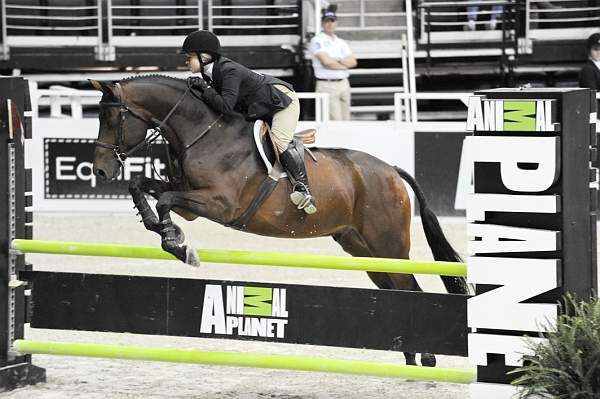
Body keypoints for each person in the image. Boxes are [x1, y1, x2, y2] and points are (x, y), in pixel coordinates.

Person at [181, 30, 316, 214]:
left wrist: (205, 89)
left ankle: (303, 188)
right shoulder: (209, 74)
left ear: (204, 57)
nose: (187, 61)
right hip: (260, 107)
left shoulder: (229, 71)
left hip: (282, 101)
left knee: (279, 142)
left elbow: (226, 106)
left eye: (190, 57)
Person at [309, 7, 357, 120]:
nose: (330, 24)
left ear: (336, 23)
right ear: (322, 23)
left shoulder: (340, 41)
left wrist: (335, 60)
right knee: (335, 122)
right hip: (327, 85)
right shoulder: (317, 40)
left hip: (344, 83)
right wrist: (344, 64)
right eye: (327, 21)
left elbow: (353, 62)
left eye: (332, 21)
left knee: (346, 120)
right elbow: (326, 62)